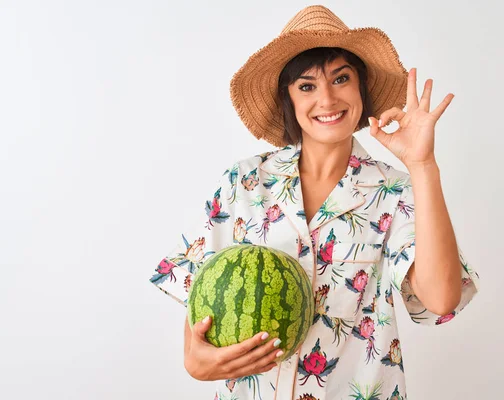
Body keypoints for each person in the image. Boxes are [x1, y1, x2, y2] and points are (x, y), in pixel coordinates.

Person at [149, 5, 480, 400]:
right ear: (288, 98)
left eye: (341, 78)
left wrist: (423, 165)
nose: (327, 99)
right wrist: (195, 363)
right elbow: (197, 327)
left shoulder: (396, 192)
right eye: (307, 86)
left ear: (361, 89)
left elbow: (441, 299)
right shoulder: (244, 182)